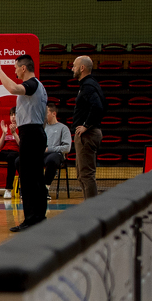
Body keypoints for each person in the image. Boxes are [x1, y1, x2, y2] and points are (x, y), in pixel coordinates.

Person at [0, 54, 48, 232]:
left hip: (31, 134)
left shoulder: (31, 84)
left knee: (28, 178)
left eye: (16, 67)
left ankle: (31, 220)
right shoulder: (39, 86)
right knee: (36, 177)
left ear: (23, 68)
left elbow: (13, 88)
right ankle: (39, 217)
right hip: (36, 133)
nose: (15, 71)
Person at [69, 55, 105, 199]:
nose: (72, 69)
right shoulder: (91, 84)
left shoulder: (88, 86)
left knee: (86, 175)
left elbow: (98, 107)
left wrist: (86, 125)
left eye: (74, 66)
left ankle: (92, 209)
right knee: (81, 175)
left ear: (82, 68)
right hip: (87, 134)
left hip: (87, 135)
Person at [43, 104, 71, 196]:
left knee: (51, 159)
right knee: (24, 160)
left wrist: (50, 149)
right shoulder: (42, 127)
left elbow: (67, 148)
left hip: (56, 154)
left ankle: (45, 188)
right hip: (42, 154)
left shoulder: (63, 128)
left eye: (46, 113)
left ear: (53, 114)